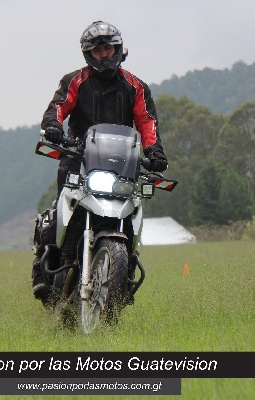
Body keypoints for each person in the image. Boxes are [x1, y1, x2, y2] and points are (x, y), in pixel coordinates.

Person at [33, 20, 168, 300]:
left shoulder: (136, 87)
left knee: (130, 215)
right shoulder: (74, 81)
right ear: (88, 54)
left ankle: (123, 275)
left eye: (109, 49)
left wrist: (154, 151)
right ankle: (43, 272)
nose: (104, 55)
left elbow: (147, 122)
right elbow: (57, 107)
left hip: (121, 163)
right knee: (58, 214)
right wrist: (54, 126)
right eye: (98, 51)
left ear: (118, 49)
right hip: (78, 157)